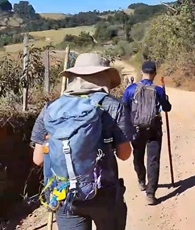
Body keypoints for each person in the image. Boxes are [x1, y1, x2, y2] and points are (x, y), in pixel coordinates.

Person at [31, 53, 134, 230]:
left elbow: (38, 159)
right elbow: (124, 154)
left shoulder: (51, 108)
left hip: (63, 195)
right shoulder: (113, 106)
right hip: (104, 193)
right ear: (104, 77)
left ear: (73, 77)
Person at [122, 61, 172, 205]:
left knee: (138, 156)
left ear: (141, 71)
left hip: (136, 130)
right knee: (153, 160)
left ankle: (141, 180)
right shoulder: (158, 90)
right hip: (154, 130)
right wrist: (165, 97)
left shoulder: (131, 89)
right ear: (155, 74)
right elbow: (167, 107)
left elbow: (124, 107)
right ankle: (150, 194)